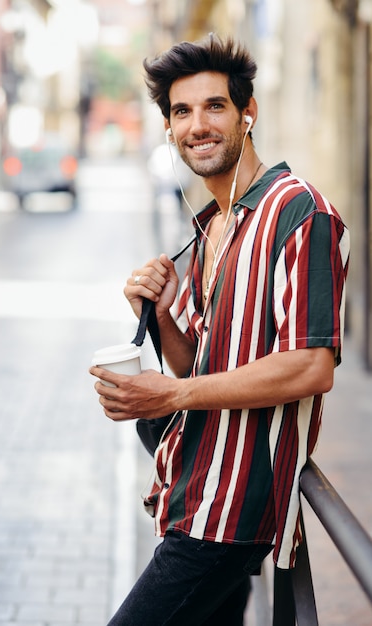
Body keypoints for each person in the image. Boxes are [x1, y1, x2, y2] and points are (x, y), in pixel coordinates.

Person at [90, 33, 350, 625]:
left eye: (215, 106)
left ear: (246, 113)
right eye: (182, 111)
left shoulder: (299, 212)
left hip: (231, 515)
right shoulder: (212, 225)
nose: (197, 124)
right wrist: (158, 314)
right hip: (194, 490)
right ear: (168, 127)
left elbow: (312, 365)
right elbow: (201, 366)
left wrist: (171, 395)